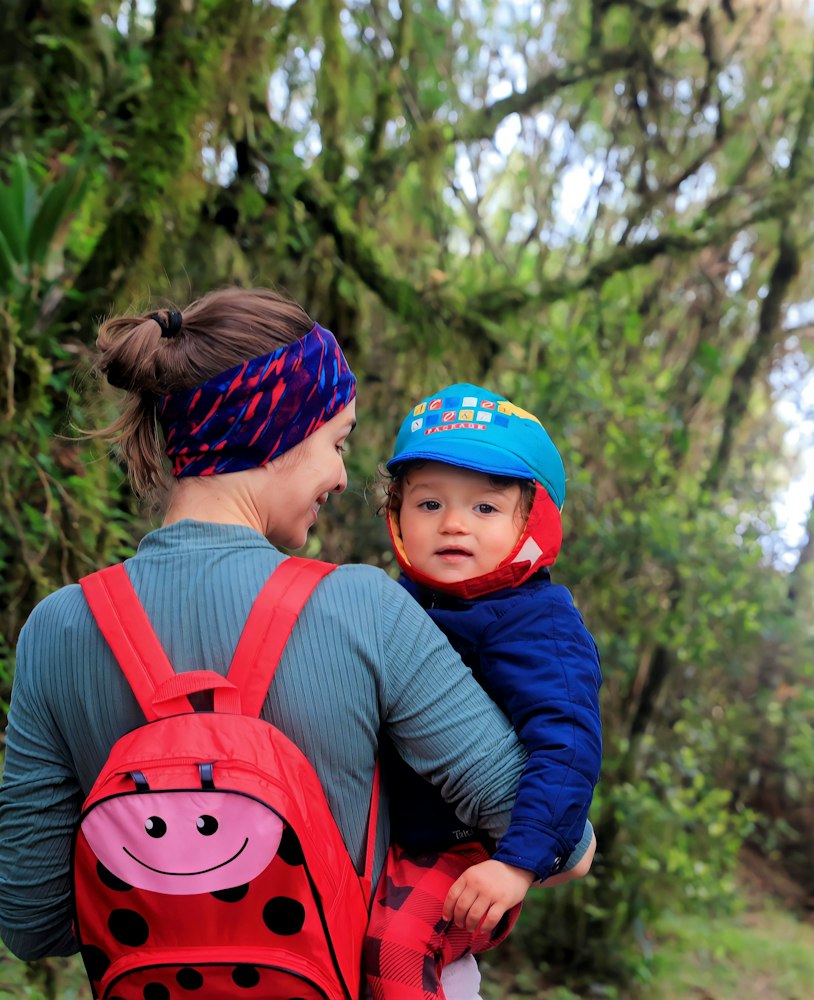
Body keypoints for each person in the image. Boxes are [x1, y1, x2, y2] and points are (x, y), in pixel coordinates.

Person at [0, 290, 589, 980]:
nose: (341, 477)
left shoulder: (59, 628)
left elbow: (32, 919)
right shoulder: (363, 609)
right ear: (278, 430)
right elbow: (562, 843)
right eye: (336, 443)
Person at [365, 383, 602, 1000]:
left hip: (469, 851)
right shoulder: (395, 604)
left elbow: (567, 746)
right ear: (396, 514)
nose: (452, 525)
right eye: (429, 503)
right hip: (382, 840)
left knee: (397, 951)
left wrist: (517, 863)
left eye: (485, 509)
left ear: (532, 521)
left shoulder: (536, 621)